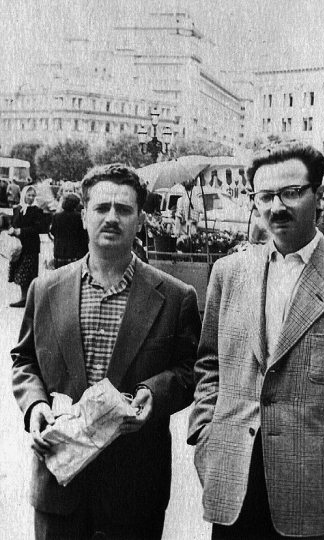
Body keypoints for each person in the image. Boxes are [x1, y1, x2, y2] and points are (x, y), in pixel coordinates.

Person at [188, 143, 324, 540]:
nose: (277, 207)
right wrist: (205, 435)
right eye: (265, 196)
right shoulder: (228, 273)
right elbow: (208, 364)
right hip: (234, 487)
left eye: (291, 193)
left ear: (318, 195)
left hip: (315, 498)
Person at [11, 163, 201, 540]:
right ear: (84, 216)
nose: (111, 217)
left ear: (140, 219)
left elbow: (192, 369)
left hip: (133, 491)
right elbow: (25, 360)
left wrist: (153, 393)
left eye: (124, 209)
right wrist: (35, 405)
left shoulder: (176, 297)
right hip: (59, 482)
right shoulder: (44, 289)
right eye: (101, 208)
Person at [8, 185, 43, 307]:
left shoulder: (37, 210)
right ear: (24, 195)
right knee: (20, 273)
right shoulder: (18, 209)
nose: (31, 198)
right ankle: (24, 298)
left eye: (33, 195)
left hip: (31, 246)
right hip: (19, 247)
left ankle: (28, 299)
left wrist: (21, 231)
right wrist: (12, 229)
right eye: (29, 195)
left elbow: (38, 228)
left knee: (28, 274)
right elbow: (13, 222)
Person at [50, 192, 88, 268]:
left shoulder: (56, 216)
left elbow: (53, 231)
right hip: (74, 252)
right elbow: (83, 235)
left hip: (59, 251)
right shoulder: (79, 217)